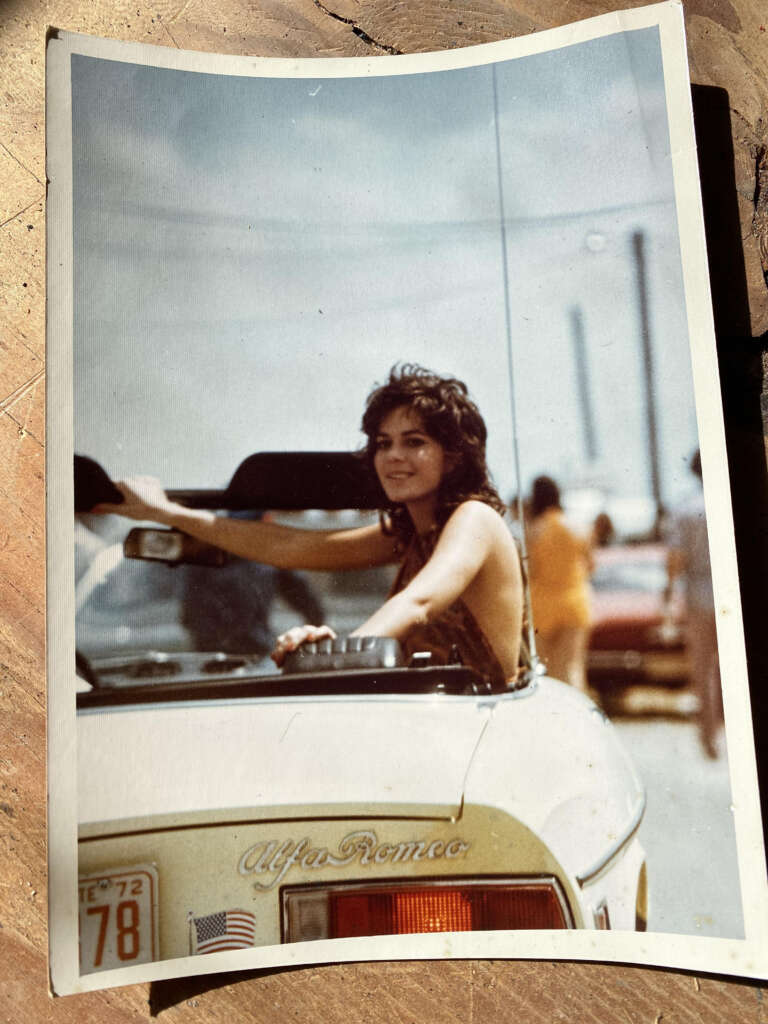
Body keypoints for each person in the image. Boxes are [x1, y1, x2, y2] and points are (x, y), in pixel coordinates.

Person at [92, 365, 524, 686]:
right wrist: (167, 513)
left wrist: (339, 653)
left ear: (453, 456)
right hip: (425, 711)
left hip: (482, 728)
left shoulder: (474, 519)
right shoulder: (411, 533)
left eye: (415, 442)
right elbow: (293, 548)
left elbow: (420, 601)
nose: (393, 456)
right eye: (383, 444)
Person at [666, 449, 723, 758]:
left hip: (698, 593)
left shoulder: (685, 508)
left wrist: (667, 591)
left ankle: (709, 737)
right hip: (731, 590)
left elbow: (676, 558)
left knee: (704, 669)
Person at [526, 475, 592, 692]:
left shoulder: (534, 529)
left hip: (543, 603)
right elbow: (591, 564)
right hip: (574, 601)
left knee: (548, 669)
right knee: (572, 666)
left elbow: (531, 570)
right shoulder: (578, 526)